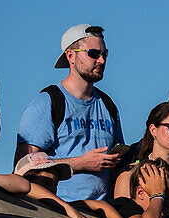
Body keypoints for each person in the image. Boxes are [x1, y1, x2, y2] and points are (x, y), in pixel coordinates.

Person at [16, 24, 124, 202]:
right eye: (93, 53)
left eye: (104, 54)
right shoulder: (48, 102)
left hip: (103, 215)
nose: (102, 60)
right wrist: (81, 163)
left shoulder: (108, 104)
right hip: (60, 211)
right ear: (71, 56)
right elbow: (23, 167)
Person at [15, 151, 140, 218]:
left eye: (56, 184)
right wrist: (66, 207)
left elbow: (100, 205)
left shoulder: (65, 208)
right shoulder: (17, 201)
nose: (53, 189)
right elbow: (28, 187)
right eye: (46, 182)